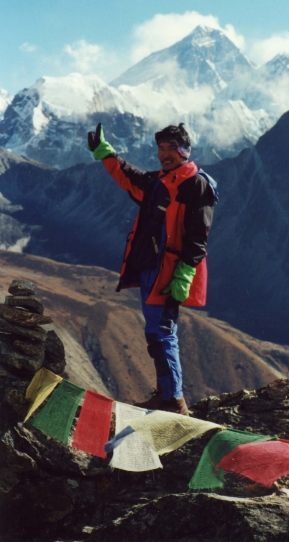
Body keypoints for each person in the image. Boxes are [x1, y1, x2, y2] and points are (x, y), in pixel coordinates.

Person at [87, 122, 218, 415]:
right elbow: (128, 177)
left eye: (172, 148)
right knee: (155, 332)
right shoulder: (160, 180)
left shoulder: (196, 184)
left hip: (169, 271)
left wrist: (185, 273)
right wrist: (106, 153)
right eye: (161, 148)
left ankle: (174, 401)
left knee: (162, 332)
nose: (165, 154)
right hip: (151, 267)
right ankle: (166, 394)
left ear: (185, 151)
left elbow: (199, 236)